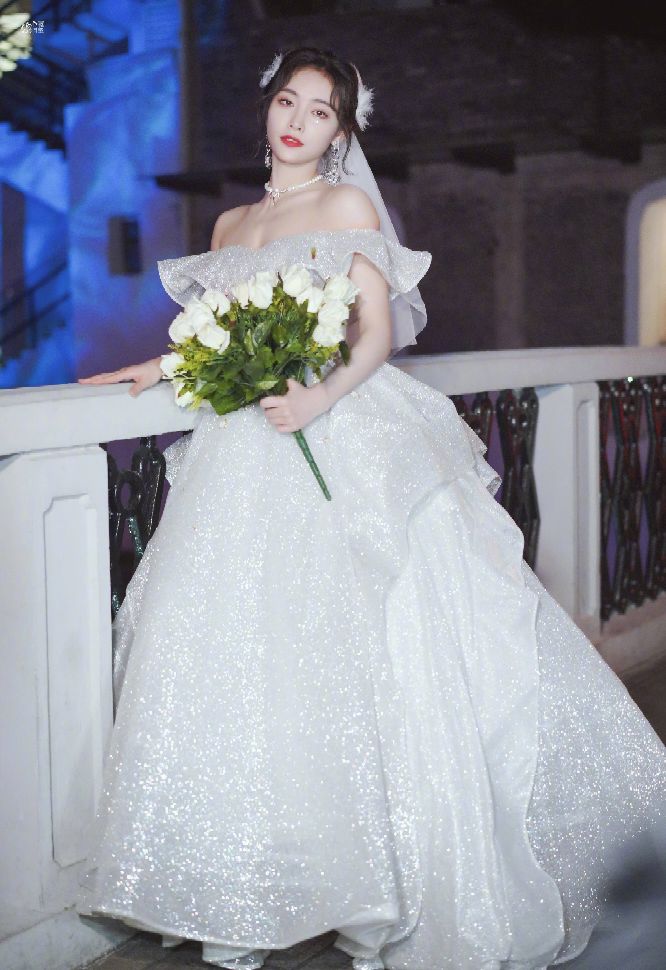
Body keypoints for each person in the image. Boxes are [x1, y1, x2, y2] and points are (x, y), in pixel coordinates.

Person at [75, 46, 666, 970]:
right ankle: (249, 881)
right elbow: (213, 338)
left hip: (333, 427)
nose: (297, 122)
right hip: (239, 451)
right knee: (239, 651)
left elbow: (377, 333)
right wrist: (152, 368)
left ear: (341, 132)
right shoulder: (229, 223)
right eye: (288, 101)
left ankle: (374, 880)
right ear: (268, 109)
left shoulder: (348, 208)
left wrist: (315, 398)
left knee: (355, 648)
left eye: (319, 111)